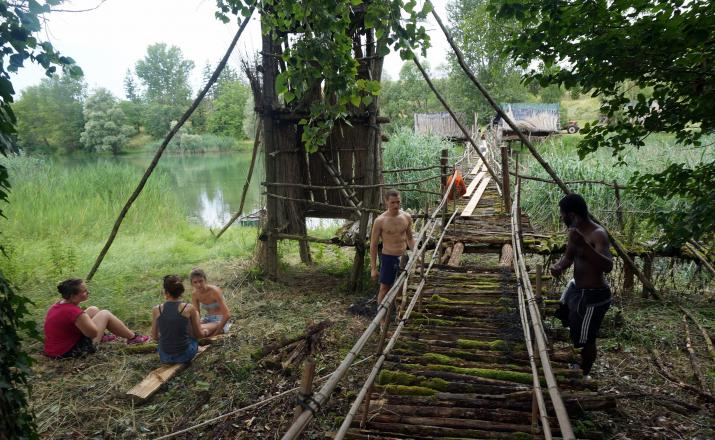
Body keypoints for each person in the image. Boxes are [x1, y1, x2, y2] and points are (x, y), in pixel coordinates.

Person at [550, 194, 613, 379]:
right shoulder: (575, 232)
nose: (561, 218)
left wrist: (585, 247)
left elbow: (608, 266)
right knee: (570, 322)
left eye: (563, 214)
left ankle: (584, 375)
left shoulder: (597, 234)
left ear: (573, 214)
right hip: (578, 289)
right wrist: (559, 267)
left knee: (586, 339)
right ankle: (576, 363)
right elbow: (569, 257)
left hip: (594, 296)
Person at [44, 278, 150, 359]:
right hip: (69, 352)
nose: (88, 292)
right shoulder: (74, 312)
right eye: (84, 291)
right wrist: (90, 321)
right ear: (73, 296)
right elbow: (92, 334)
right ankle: (133, 338)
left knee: (93, 309)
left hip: (55, 349)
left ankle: (103, 336)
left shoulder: (59, 305)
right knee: (105, 314)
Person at [370, 189, 415, 323]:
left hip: (403, 256)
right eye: (392, 202)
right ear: (386, 202)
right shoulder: (380, 221)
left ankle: (398, 314)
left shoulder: (406, 217)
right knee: (384, 287)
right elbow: (373, 245)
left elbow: (410, 238)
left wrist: (415, 253)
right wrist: (373, 268)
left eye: (398, 202)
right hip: (388, 257)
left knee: (402, 287)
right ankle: (381, 320)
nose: (396, 205)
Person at [151, 275, 202, 364]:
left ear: (166, 292)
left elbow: (154, 337)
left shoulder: (156, 309)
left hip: (165, 357)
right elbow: (197, 335)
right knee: (195, 315)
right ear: (180, 291)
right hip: (185, 356)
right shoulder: (189, 308)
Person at [190, 268, 231, 337]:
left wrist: (216, 334)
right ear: (192, 283)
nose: (198, 285)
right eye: (195, 282)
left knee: (198, 329)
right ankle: (206, 332)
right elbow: (196, 314)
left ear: (205, 280)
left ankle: (207, 332)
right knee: (188, 328)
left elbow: (227, 314)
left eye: (201, 281)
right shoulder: (195, 294)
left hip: (220, 320)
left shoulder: (214, 291)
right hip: (207, 318)